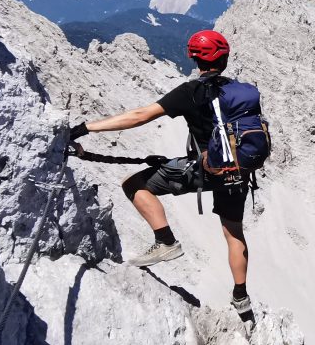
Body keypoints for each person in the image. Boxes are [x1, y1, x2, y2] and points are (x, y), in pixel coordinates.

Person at [69, 28, 255, 323]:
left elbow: (140, 116)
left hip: (206, 170)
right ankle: (241, 297)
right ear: (225, 59)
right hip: (239, 172)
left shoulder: (190, 92)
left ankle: (166, 240)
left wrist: (86, 128)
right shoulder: (241, 92)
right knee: (234, 233)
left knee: (134, 183)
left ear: (194, 58)